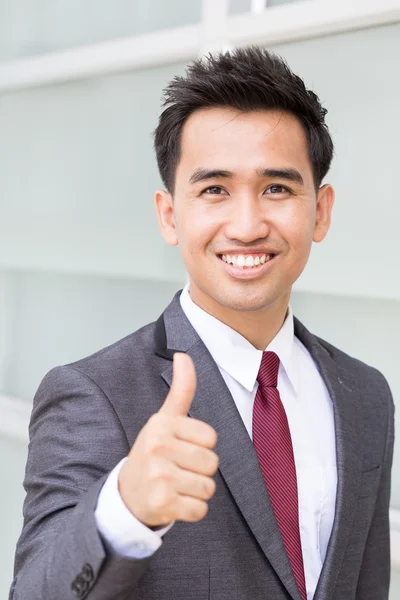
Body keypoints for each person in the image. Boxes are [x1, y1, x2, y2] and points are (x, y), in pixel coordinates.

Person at [10, 46, 394, 600]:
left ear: (321, 211)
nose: (246, 224)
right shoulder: (93, 394)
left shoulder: (365, 395)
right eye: (214, 189)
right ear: (170, 215)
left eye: (277, 188)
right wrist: (125, 508)